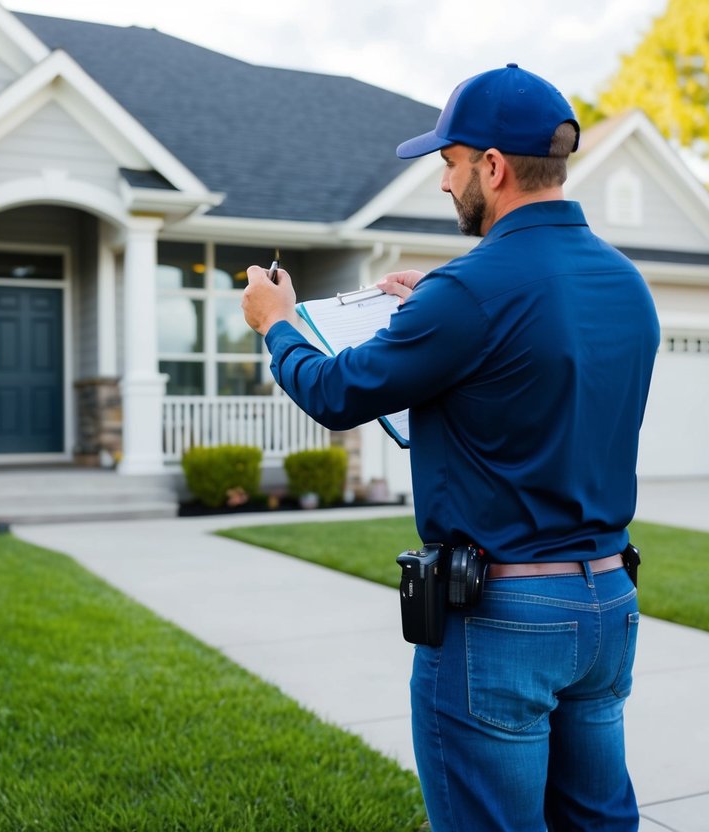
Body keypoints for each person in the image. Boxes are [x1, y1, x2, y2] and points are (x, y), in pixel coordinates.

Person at [241, 63, 659, 831]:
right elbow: (530, 350)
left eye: (448, 163)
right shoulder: (623, 281)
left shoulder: (466, 293)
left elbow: (334, 395)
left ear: (491, 167)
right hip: (606, 602)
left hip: (503, 617)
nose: (443, 183)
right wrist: (437, 301)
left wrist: (275, 322)